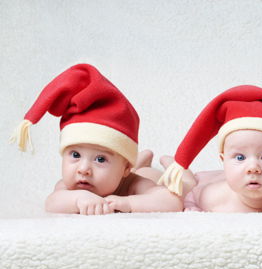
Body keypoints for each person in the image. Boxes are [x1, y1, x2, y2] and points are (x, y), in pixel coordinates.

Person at [9, 63, 183, 215]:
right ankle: (141, 158)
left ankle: (149, 163)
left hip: (146, 174)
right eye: (75, 155)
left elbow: (172, 201)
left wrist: (129, 203)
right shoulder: (70, 187)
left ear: (125, 169)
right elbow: (52, 202)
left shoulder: (133, 183)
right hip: (127, 166)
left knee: (172, 180)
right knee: (137, 165)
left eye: (100, 159)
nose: (83, 169)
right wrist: (78, 199)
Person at [157, 85, 262, 212]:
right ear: (223, 161)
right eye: (240, 157)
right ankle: (170, 161)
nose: (253, 168)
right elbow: (191, 195)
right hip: (208, 178)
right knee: (188, 181)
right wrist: (192, 207)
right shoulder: (213, 197)